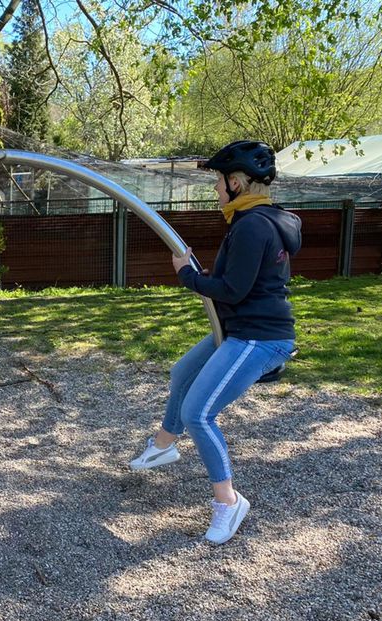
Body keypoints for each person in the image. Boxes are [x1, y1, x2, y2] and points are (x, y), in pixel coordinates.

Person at [130, 140, 301, 544]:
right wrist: (204, 275)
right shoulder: (261, 219)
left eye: (219, 181)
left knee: (199, 413)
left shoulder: (252, 225)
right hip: (242, 328)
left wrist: (186, 275)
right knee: (182, 373)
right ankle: (163, 444)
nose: (215, 188)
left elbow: (233, 290)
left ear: (236, 183)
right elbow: (243, 280)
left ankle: (228, 501)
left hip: (259, 336)